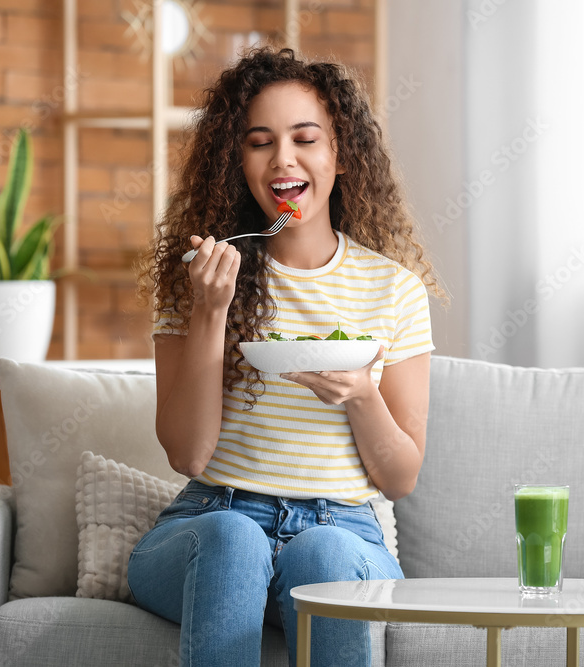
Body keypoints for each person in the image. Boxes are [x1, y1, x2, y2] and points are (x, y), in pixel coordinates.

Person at [130, 45, 442, 667]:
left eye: (306, 139)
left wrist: (361, 394)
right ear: (236, 162)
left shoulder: (393, 290)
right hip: (211, 521)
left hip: (343, 531)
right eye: (259, 142)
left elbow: (400, 478)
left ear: (341, 155)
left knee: (321, 555)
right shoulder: (199, 278)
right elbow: (188, 454)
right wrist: (210, 312)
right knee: (234, 538)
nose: (284, 160)